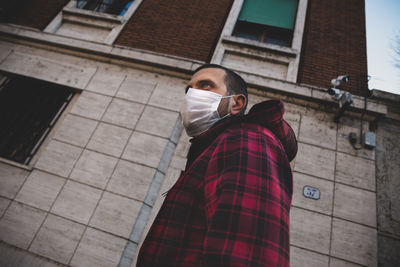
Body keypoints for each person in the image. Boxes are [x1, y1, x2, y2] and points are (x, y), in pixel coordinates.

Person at [137, 64, 298, 266]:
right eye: (189, 90)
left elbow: (246, 255)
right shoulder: (216, 145)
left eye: (206, 85)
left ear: (237, 104)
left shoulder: (247, 139)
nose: (192, 95)